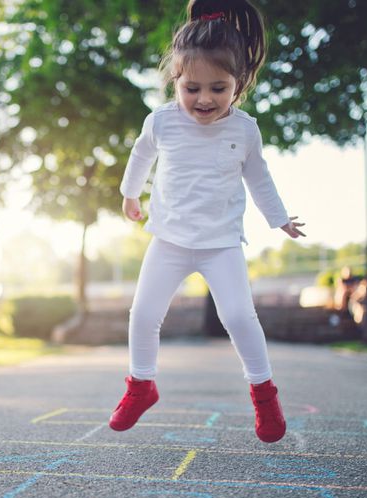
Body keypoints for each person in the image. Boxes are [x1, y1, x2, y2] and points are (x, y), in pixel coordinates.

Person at [109, 0, 306, 444]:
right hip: (170, 239)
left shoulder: (245, 130)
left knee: (238, 315)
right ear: (176, 80)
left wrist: (279, 219)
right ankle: (141, 386)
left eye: (218, 88)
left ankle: (264, 395)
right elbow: (141, 153)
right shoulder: (161, 120)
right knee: (143, 314)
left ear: (238, 84)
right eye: (192, 88)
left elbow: (259, 175)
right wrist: (129, 193)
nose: (204, 99)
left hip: (221, 243)